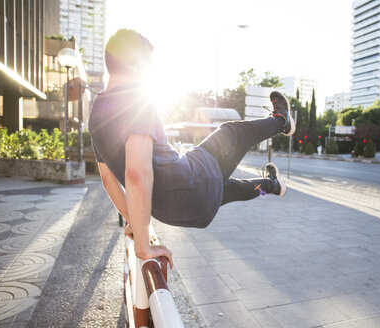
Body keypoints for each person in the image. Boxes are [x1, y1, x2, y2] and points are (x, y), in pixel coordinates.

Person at [88, 29, 295, 266]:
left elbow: (107, 178)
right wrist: (143, 246)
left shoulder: (96, 112)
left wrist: (134, 222)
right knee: (231, 133)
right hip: (191, 184)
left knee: (233, 189)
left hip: (174, 208)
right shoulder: (135, 98)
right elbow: (137, 173)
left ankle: (273, 185)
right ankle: (282, 121)